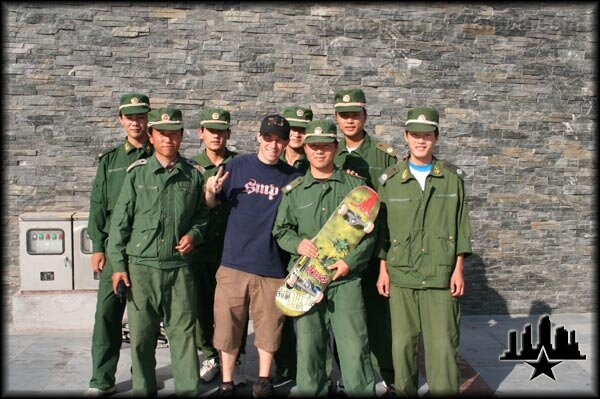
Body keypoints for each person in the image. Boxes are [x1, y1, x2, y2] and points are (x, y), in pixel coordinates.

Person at [107, 107, 210, 396]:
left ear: (181, 137)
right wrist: (118, 266)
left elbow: (203, 215)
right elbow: (120, 224)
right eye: (162, 134)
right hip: (142, 268)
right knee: (141, 336)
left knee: (183, 334)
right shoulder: (137, 174)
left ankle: (188, 389)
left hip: (179, 267)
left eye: (174, 134)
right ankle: (143, 388)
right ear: (151, 137)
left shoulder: (193, 174)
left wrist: (194, 234)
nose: (168, 139)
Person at [272, 120, 376, 396]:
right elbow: (281, 230)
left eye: (326, 146)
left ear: (336, 147)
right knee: (309, 349)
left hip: (345, 281)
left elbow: (369, 237)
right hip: (307, 279)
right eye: (314, 147)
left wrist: (349, 263)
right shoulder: (294, 191)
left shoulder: (355, 188)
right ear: (305, 149)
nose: (320, 152)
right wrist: (298, 244)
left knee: (354, 348)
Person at [376, 106, 472, 396]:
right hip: (401, 274)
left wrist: (458, 269)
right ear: (406, 137)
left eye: (427, 135)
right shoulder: (390, 180)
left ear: (436, 137)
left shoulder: (452, 178)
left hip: (440, 274)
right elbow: (383, 231)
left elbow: (462, 226)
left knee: (443, 345)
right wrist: (383, 270)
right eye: (415, 135)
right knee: (403, 345)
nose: (421, 141)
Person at [205, 114, 301, 397]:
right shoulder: (237, 167)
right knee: (227, 327)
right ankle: (226, 381)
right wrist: (210, 192)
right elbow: (212, 203)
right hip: (234, 263)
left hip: (272, 266)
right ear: (259, 137)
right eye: (268, 138)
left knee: (269, 328)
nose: (273, 144)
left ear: (286, 143)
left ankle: (264, 380)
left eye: (280, 139)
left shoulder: (293, 177)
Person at [86, 93, 152, 397]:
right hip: (115, 247)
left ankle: (143, 378)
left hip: (148, 246)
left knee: (147, 316)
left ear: (147, 118)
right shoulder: (110, 161)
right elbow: (98, 204)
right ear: (121, 120)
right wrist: (97, 245)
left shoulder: (160, 153)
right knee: (107, 315)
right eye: (130, 117)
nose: (135, 122)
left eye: (140, 116)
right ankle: (102, 379)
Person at [333, 88, 397, 394]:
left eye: (354, 115)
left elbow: (388, 210)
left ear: (365, 116)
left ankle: (387, 373)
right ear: (336, 118)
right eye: (343, 115)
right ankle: (349, 374)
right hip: (340, 249)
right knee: (344, 321)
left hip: (372, 251)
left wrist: (384, 257)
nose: (349, 121)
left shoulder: (383, 155)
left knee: (377, 318)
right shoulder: (331, 153)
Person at [190, 107, 248, 386]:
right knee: (203, 305)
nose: (216, 136)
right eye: (210, 130)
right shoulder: (191, 167)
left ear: (228, 133)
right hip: (202, 250)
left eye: (220, 130)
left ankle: (234, 358)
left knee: (235, 307)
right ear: (201, 133)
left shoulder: (240, 165)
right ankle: (210, 354)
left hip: (233, 248)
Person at [280, 105, 313, 173]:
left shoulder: (313, 162)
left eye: (302, 130)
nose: (297, 135)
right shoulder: (274, 158)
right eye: (292, 129)